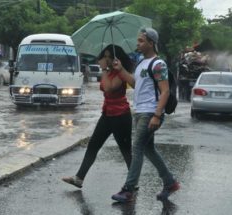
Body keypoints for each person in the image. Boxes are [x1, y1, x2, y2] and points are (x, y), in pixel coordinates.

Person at [111, 27, 180, 203]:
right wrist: (120, 70)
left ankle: (128, 190)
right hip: (140, 111)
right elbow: (136, 84)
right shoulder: (141, 63)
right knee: (148, 149)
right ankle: (170, 182)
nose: (138, 43)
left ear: (151, 42)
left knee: (137, 148)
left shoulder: (158, 65)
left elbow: (164, 91)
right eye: (138, 40)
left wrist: (157, 115)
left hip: (151, 112)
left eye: (141, 41)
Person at [62, 44, 134, 188]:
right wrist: (106, 70)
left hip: (121, 115)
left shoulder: (120, 72)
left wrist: (104, 69)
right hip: (107, 113)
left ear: (116, 58)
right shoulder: (109, 72)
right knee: (93, 145)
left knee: (125, 150)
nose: (106, 59)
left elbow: (108, 87)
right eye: (104, 56)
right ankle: (79, 178)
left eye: (109, 56)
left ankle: (133, 181)